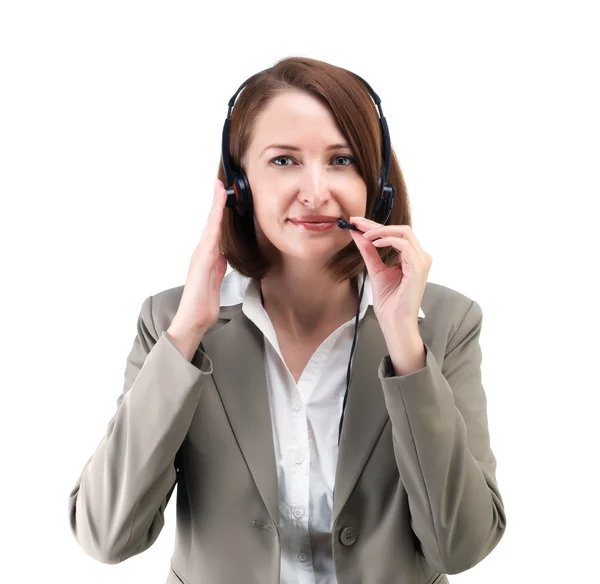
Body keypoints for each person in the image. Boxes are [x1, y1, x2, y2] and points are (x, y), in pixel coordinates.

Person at [68, 56, 506, 584]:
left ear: (378, 182)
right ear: (238, 183)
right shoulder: (170, 321)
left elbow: (461, 547)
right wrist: (185, 336)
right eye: (283, 161)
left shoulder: (444, 323)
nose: (316, 191)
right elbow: (106, 536)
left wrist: (406, 351)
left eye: (342, 160)